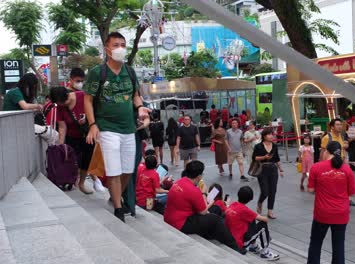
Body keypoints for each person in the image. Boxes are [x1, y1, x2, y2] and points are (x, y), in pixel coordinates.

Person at [83, 32, 150, 222]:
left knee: (128, 170)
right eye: (115, 45)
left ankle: (115, 196)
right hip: (107, 127)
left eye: (122, 44)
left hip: (129, 128)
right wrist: (93, 124)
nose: (120, 48)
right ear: (107, 49)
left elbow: (136, 95)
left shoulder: (130, 71)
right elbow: (88, 100)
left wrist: (140, 108)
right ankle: (119, 208)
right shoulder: (98, 72)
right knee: (114, 170)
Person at [163, 160, 241, 253]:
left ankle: (211, 235)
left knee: (215, 209)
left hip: (170, 216)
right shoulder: (194, 190)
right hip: (181, 223)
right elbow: (203, 212)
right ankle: (235, 246)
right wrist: (203, 193)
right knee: (215, 218)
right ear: (199, 176)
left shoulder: (179, 182)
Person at [307, 141, 355, 264]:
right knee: (338, 245)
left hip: (322, 213)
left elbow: (310, 189)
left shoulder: (316, 167)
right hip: (341, 213)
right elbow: (353, 193)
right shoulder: (346, 169)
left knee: (316, 242)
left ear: (326, 152)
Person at [49, 86, 105, 194]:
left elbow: (97, 112)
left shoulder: (82, 96)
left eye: (64, 102)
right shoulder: (60, 107)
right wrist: (61, 145)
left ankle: (82, 183)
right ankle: (72, 179)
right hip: (72, 136)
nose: (63, 105)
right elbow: (62, 127)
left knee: (86, 160)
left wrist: (88, 119)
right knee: (72, 159)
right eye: (60, 104)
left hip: (88, 134)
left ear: (67, 95)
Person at [225, 186, 280, 261]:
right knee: (263, 225)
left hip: (230, 238)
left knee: (252, 218)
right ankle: (265, 252)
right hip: (239, 242)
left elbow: (253, 217)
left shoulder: (233, 204)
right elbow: (265, 219)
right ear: (250, 199)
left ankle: (253, 246)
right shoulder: (244, 210)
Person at [252, 128, 284, 219]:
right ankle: (260, 202)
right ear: (264, 136)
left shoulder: (274, 146)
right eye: (269, 134)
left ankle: (270, 211)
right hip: (262, 169)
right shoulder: (258, 146)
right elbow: (254, 158)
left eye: (272, 134)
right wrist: (264, 157)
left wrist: (281, 170)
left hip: (273, 169)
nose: (271, 136)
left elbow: (277, 158)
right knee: (265, 191)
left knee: (273, 191)